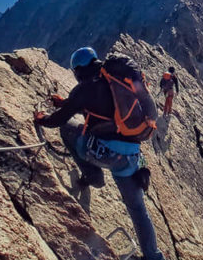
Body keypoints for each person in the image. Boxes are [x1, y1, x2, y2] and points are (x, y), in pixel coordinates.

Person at [34, 47, 165, 260]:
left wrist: (42, 119)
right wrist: (66, 103)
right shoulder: (116, 83)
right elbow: (105, 111)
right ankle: (153, 256)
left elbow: (59, 119)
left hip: (103, 153)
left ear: (77, 71)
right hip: (132, 158)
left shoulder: (84, 89)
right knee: (138, 208)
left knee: (68, 128)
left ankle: (92, 176)